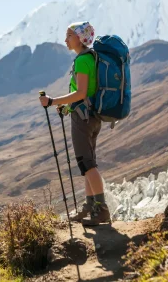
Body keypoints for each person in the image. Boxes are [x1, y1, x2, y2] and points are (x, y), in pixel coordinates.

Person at [39, 21, 111, 225]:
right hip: (92, 116)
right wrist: (67, 106)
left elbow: (80, 92)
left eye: (69, 35)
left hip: (83, 118)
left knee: (87, 164)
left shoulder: (82, 61)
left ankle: (101, 210)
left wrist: (53, 101)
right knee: (88, 163)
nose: (65, 39)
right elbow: (86, 93)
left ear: (79, 37)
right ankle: (90, 207)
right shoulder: (91, 57)